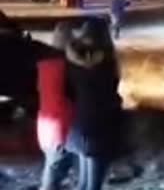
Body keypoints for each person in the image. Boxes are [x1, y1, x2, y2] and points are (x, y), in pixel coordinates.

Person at [65, 18, 122, 190]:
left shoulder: (71, 62)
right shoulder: (107, 64)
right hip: (99, 128)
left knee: (82, 184)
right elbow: (111, 93)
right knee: (93, 185)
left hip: (76, 126)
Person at [38, 22, 75, 190]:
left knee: (53, 164)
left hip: (45, 123)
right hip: (62, 125)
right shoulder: (69, 67)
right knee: (54, 169)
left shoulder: (44, 65)